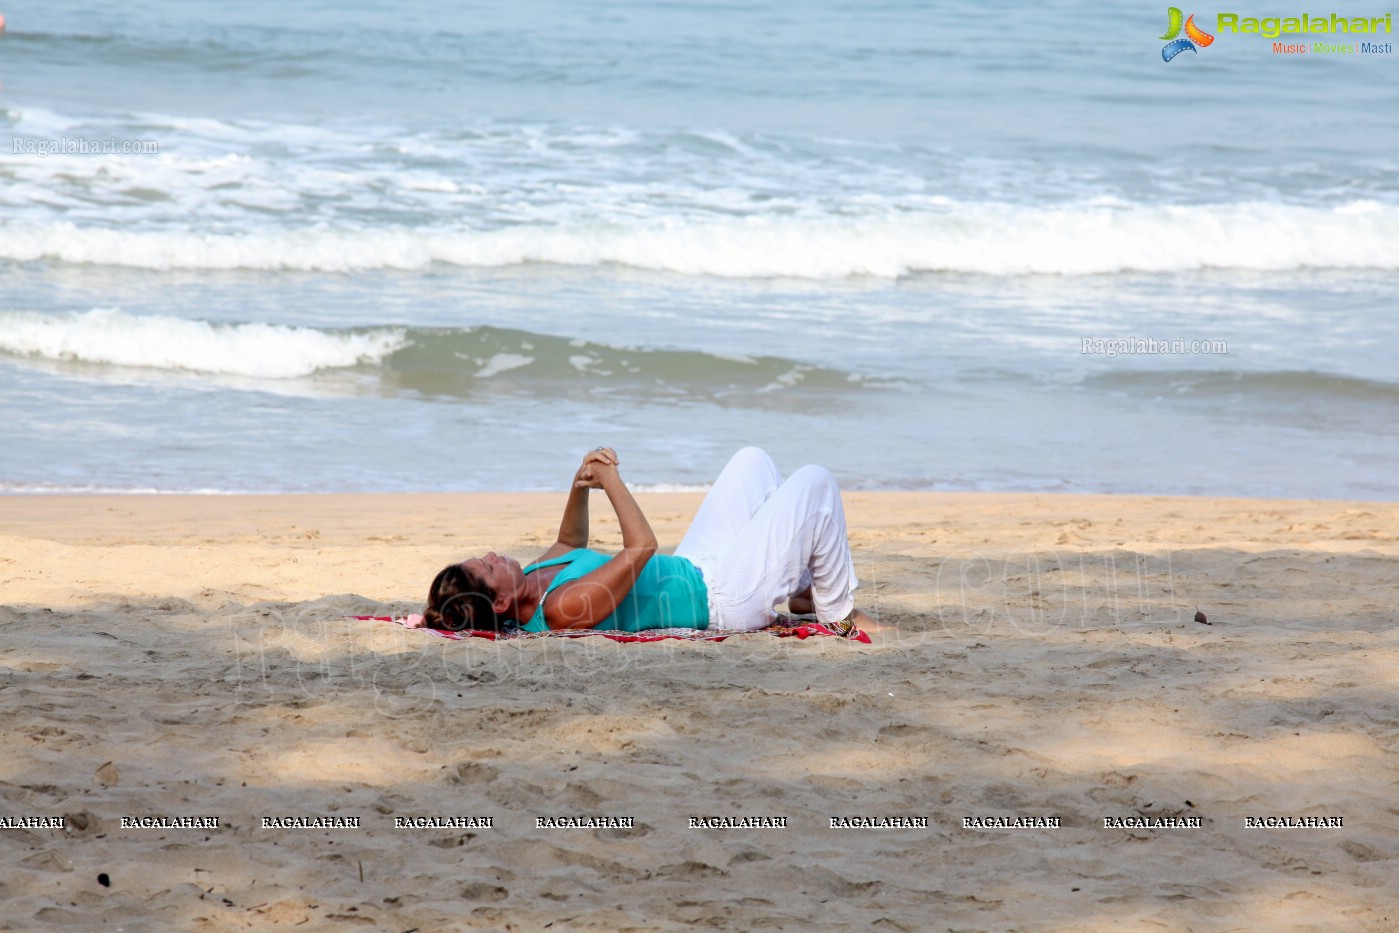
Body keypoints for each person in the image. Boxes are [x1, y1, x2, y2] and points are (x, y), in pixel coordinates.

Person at [422, 447, 874, 636]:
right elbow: (641, 547)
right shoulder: (564, 607)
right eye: (487, 567)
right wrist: (612, 481)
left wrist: (580, 484)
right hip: (722, 599)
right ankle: (838, 616)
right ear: (499, 604)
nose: (492, 555)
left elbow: (569, 539)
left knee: (751, 461)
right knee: (814, 482)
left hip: (696, 567)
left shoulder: (533, 579)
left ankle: (799, 590)